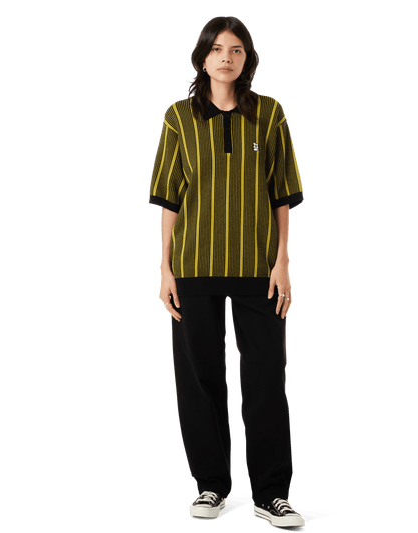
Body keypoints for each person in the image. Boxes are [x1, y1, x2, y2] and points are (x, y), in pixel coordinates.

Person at [146, 15, 306, 529]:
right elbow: (169, 198)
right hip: (193, 266)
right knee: (200, 377)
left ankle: (271, 494)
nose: (226, 58)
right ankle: (211, 485)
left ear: (247, 58)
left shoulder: (271, 113)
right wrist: (164, 266)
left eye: (236, 49)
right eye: (217, 49)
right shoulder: (178, 117)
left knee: (266, 377)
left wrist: (283, 261)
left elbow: (282, 194)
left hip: (258, 267)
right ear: (201, 57)